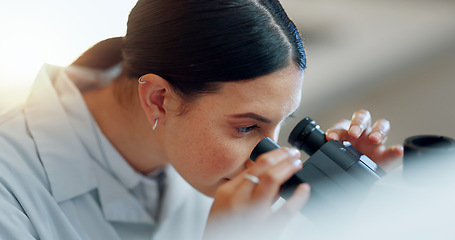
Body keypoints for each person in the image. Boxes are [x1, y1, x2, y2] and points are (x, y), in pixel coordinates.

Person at [0, 0, 403, 239]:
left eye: (279, 126)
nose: (268, 156)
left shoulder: (200, 159)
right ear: (158, 99)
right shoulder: (10, 192)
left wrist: (350, 200)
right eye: (247, 128)